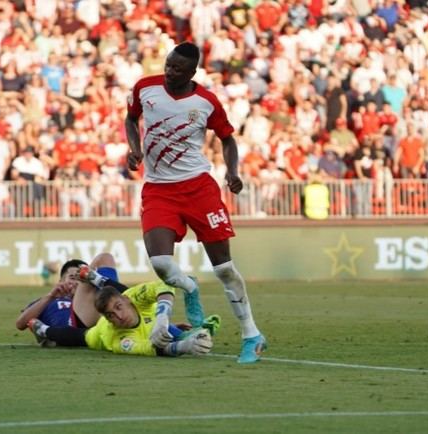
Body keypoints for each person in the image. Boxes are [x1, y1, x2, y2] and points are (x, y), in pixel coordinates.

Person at [124, 41, 266, 363]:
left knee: (225, 268)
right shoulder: (145, 88)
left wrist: (232, 172)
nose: (169, 71)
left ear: (192, 72)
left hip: (199, 189)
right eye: (168, 65)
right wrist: (134, 149)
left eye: (177, 68)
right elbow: (130, 119)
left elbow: (228, 138)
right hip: (159, 189)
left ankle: (251, 334)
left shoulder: (206, 102)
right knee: (161, 263)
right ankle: (189, 287)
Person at [28, 281, 219, 357]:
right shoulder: (118, 338)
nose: (119, 317)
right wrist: (183, 347)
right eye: (111, 315)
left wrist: (163, 317)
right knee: (82, 337)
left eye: (119, 307)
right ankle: (43, 330)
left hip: (152, 319)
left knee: (166, 328)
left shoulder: (133, 295)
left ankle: (95, 277)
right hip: (98, 334)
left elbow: (162, 286)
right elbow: (151, 349)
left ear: (126, 300)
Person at [15, 254, 122, 346]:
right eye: (72, 277)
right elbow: (21, 324)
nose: (76, 282)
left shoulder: (91, 296)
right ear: (61, 280)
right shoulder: (46, 301)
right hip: (75, 328)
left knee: (105, 258)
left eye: (79, 278)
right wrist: (50, 297)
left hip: (95, 320)